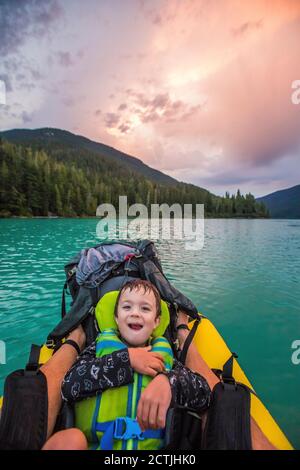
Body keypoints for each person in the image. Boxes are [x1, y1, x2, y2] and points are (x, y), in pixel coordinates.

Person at [42, 280, 211, 450]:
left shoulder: (164, 356)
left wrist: (170, 382)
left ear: (156, 321)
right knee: (70, 440)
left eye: (145, 308)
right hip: (100, 445)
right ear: (116, 318)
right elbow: (69, 386)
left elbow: (204, 392)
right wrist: (126, 361)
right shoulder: (98, 348)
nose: (135, 313)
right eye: (127, 307)